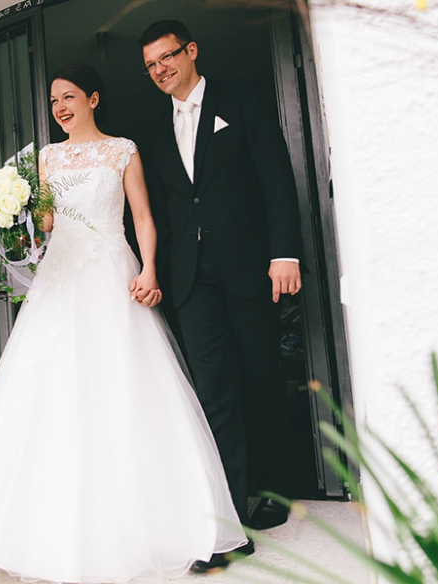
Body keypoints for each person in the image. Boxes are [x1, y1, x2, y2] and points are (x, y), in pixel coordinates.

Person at [0, 64, 247, 583]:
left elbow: (143, 217)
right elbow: (47, 222)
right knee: (49, 389)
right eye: (54, 100)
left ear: (94, 98)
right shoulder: (47, 159)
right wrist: (16, 222)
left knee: (119, 382)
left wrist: (148, 267)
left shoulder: (122, 150)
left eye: (69, 96)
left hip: (110, 270)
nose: (60, 107)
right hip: (60, 277)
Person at [137, 19, 304, 563]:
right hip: (191, 277)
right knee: (213, 391)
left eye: (167, 58)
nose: (161, 70)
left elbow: (276, 176)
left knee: (260, 375)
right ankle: (226, 516)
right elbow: (161, 211)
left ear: (191, 50)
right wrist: (155, 271)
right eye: (151, 66)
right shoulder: (154, 130)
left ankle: (276, 489)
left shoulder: (242, 98)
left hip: (249, 264)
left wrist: (284, 252)